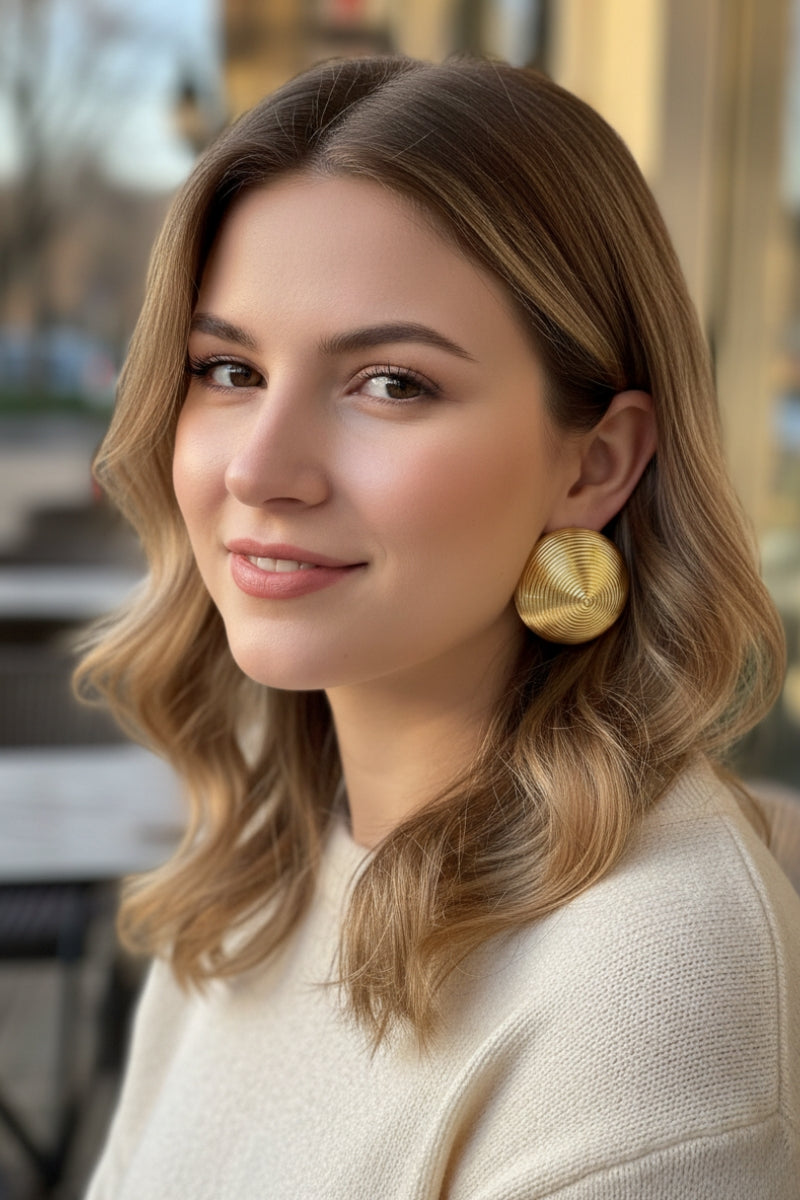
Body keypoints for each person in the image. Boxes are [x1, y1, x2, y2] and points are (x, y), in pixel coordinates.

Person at [80, 55, 800, 1198]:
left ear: (594, 464)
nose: (260, 469)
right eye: (227, 369)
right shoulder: (258, 866)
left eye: (391, 384)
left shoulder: (646, 985)